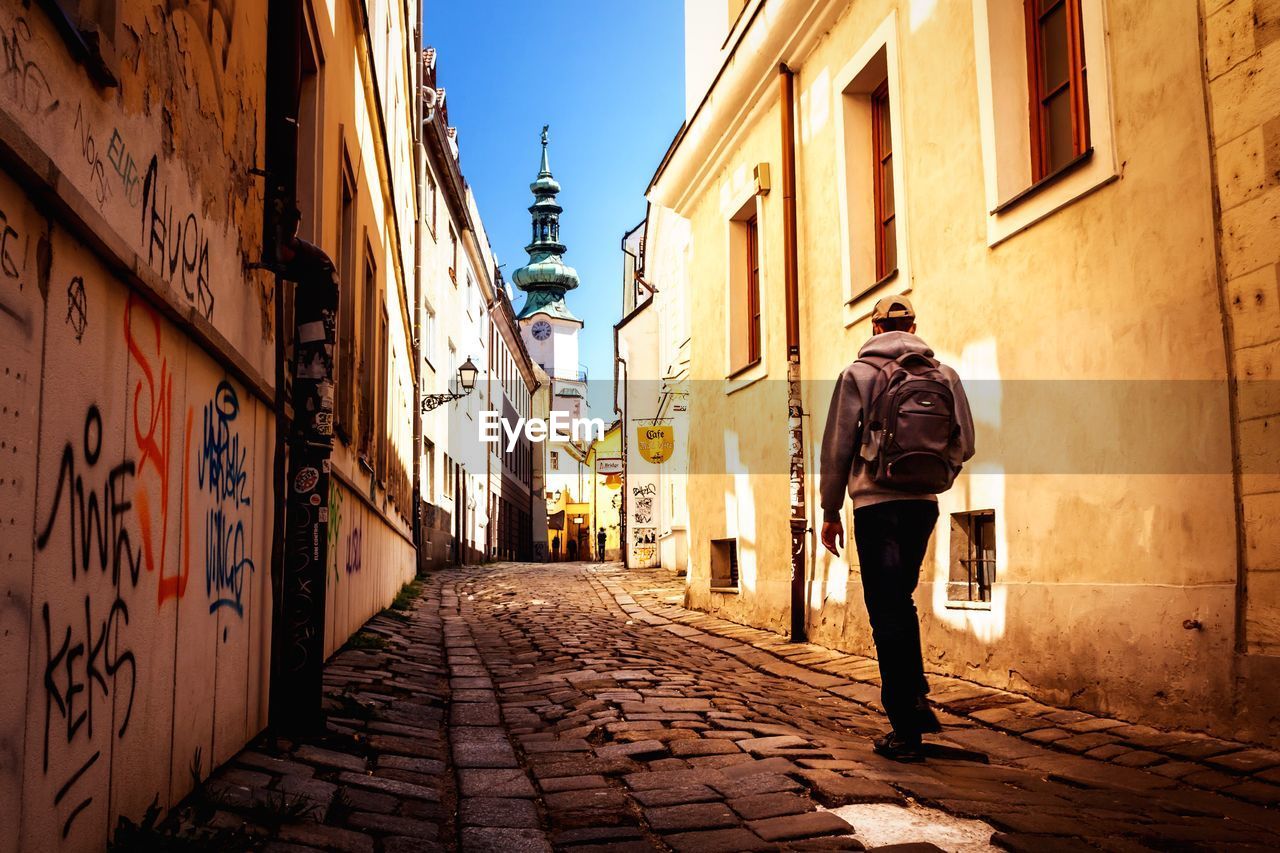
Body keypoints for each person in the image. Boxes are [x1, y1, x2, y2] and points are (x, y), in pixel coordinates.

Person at [819, 295, 975, 761]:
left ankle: (905, 727)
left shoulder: (858, 375)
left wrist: (830, 511)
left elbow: (836, 449)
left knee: (886, 609)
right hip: (923, 505)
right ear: (913, 325)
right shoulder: (944, 375)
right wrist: (936, 474)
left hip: (875, 506)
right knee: (899, 602)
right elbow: (964, 443)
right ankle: (916, 700)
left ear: (874, 327)